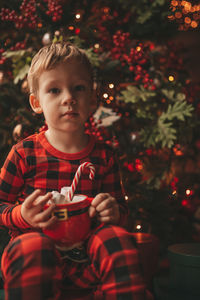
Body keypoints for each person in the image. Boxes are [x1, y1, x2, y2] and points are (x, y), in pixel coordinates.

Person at [0, 42, 151, 300]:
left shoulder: (104, 155)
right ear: (37, 103)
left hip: (89, 257)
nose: (68, 97)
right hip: (35, 255)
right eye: (55, 90)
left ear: (92, 98)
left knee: (116, 240)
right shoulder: (24, 153)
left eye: (78, 88)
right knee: (32, 246)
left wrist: (111, 212)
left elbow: (121, 211)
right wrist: (22, 215)